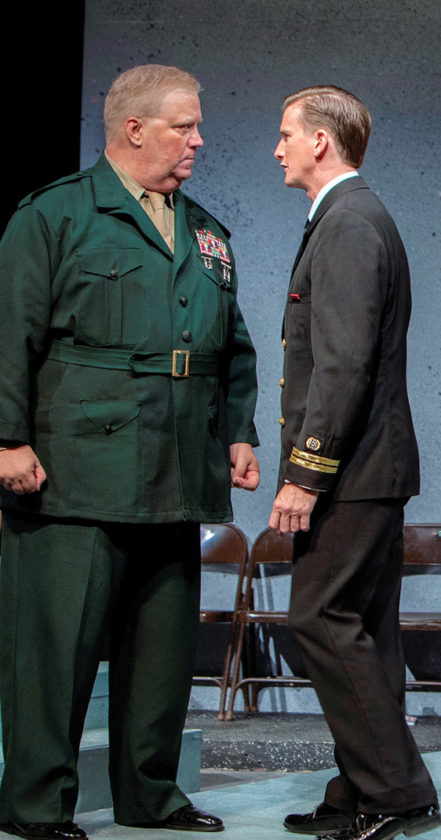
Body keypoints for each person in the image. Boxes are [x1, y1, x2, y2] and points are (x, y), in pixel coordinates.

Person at [0, 64, 260, 840]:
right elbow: (9, 333)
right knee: (55, 648)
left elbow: (231, 346)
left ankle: (150, 795)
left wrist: (238, 431)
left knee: (162, 645)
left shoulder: (205, 231)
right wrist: (7, 437)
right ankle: (36, 806)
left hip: (176, 465)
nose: (198, 139)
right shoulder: (55, 215)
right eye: (184, 125)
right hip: (75, 468)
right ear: (134, 128)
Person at [269, 85, 440, 840]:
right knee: (361, 627)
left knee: (322, 618)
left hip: (350, 470)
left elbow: (342, 368)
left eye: (286, 134)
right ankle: (365, 788)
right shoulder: (350, 216)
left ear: (320, 141)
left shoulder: (346, 223)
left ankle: (394, 792)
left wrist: (305, 474)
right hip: (369, 467)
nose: (276, 148)